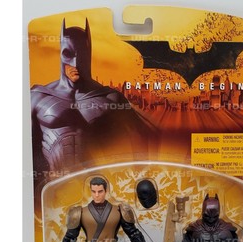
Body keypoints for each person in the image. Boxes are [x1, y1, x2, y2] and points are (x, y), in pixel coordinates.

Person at [31, 19, 157, 176]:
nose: (75, 63)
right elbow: (27, 148)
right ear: (61, 55)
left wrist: (139, 178)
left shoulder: (111, 99)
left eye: (82, 55)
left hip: (98, 183)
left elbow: (141, 137)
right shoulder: (38, 97)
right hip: (52, 184)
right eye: (68, 54)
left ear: (88, 55)